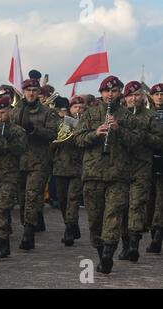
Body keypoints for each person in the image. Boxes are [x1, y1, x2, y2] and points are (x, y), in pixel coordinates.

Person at [74, 75, 141, 274]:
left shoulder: (129, 117)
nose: (110, 95)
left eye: (114, 91)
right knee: (95, 219)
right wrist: (95, 133)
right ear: (101, 93)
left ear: (120, 92)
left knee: (113, 215)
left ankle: (108, 253)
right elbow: (77, 139)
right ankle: (101, 249)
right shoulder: (90, 114)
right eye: (106, 91)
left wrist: (119, 130)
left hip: (118, 175)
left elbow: (137, 142)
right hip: (93, 174)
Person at [116, 81, 163, 262]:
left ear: (143, 97)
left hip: (142, 167)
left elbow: (159, 141)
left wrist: (144, 136)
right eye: (130, 95)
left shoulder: (151, 117)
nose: (133, 99)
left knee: (137, 205)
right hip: (119, 168)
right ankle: (125, 243)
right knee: (121, 207)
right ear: (125, 97)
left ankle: (134, 244)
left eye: (137, 95)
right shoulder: (117, 116)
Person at [11, 78, 58, 250]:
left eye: (35, 90)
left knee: (32, 197)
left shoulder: (47, 112)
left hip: (39, 161)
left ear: (39, 92)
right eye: (28, 90)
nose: (31, 93)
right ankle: (27, 224)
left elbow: (53, 134)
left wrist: (34, 130)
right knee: (22, 199)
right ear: (23, 91)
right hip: (19, 160)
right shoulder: (15, 112)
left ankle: (28, 233)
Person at [0, 96, 27, 261]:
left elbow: (21, 149)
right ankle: (5, 242)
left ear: (9, 112)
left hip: (9, 176)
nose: (0, 116)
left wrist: (7, 139)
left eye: (3, 112)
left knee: (2, 208)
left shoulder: (17, 131)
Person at [51, 96, 85, 246]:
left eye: (81, 107)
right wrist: (67, 126)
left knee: (73, 199)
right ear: (70, 109)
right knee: (63, 200)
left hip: (78, 168)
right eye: (75, 107)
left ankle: (69, 230)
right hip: (60, 167)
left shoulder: (87, 123)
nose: (78, 110)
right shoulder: (61, 123)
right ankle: (71, 224)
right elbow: (54, 144)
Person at [146, 83, 163, 253]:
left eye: (162, 94)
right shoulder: (146, 113)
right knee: (149, 200)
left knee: (161, 200)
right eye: (156, 94)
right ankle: (153, 231)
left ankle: (158, 235)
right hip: (147, 161)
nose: (159, 97)